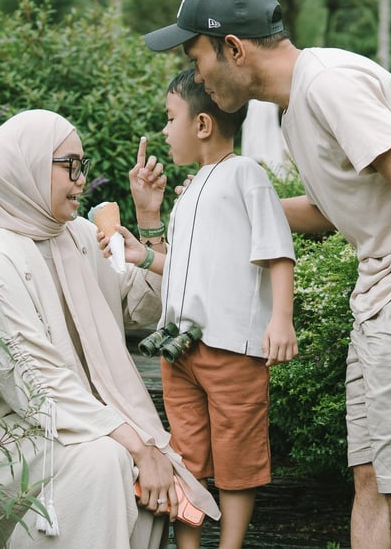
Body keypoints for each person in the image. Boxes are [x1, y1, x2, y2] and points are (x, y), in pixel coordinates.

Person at [143, 0, 391, 549]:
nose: (199, 78)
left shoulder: (330, 85)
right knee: (370, 476)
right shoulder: (294, 110)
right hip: (379, 295)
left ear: (233, 48)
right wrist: (222, 204)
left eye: (198, 56)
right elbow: (330, 209)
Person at [0, 109, 219, 548]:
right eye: (70, 166)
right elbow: (36, 384)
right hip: (9, 437)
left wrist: (149, 221)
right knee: (110, 459)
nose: (81, 179)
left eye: (83, 166)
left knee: (138, 465)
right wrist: (138, 444)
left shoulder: (77, 235)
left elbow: (142, 308)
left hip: (81, 415)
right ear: (25, 166)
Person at [105, 69, 297, 549]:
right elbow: (191, 269)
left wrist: (281, 319)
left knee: (237, 459)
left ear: (204, 125)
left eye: (171, 119)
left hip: (232, 350)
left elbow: (277, 249)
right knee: (187, 458)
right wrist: (142, 254)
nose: (166, 130)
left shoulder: (247, 174)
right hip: (178, 350)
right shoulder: (189, 192)